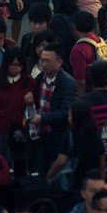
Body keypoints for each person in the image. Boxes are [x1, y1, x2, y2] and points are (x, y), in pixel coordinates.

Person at [28, 44, 78, 172]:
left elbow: (66, 112)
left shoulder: (68, 83)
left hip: (58, 136)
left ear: (59, 62)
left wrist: (43, 118)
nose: (43, 64)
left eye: (47, 61)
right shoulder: (40, 79)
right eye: (42, 60)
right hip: (41, 136)